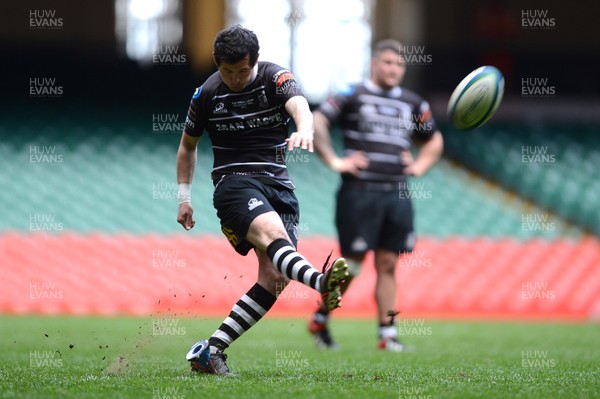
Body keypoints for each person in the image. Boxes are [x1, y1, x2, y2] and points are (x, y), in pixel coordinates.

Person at [176, 25, 349, 376]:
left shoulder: (275, 76)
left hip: (279, 187)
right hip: (234, 185)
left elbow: (299, 104)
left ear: (254, 62)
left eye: (243, 71)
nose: (236, 79)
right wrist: (184, 197)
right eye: (228, 72)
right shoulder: (206, 94)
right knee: (275, 239)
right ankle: (321, 282)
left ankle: (210, 352)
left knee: (274, 276)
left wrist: (304, 128)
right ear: (216, 63)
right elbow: (187, 147)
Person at [308, 39, 443, 351]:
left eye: (399, 64)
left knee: (387, 264)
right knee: (352, 265)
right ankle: (322, 317)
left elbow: (434, 140)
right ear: (374, 64)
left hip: (396, 193)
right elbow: (318, 120)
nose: (394, 69)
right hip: (358, 193)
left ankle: (388, 335)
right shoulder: (351, 93)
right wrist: (334, 160)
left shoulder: (414, 103)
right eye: (387, 63)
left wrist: (420, 165)